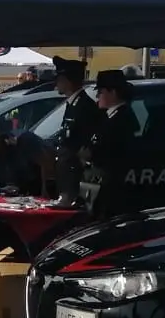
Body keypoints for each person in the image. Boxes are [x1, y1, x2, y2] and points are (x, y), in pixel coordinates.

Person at [82, 68, 140, 219]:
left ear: (113, 92)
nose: (97, 96)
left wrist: (90, 154)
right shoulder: (109, 116)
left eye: (100, 92)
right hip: (104, 185)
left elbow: (112, 151)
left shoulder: (122, 119)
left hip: (113, 187)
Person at [48, 56, 97, 207]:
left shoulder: (84, 106)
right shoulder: (73, 104)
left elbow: (82, 144)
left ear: (67, 81)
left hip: (76, 178)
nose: (57, 84)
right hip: (67, 176)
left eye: (59, 79)